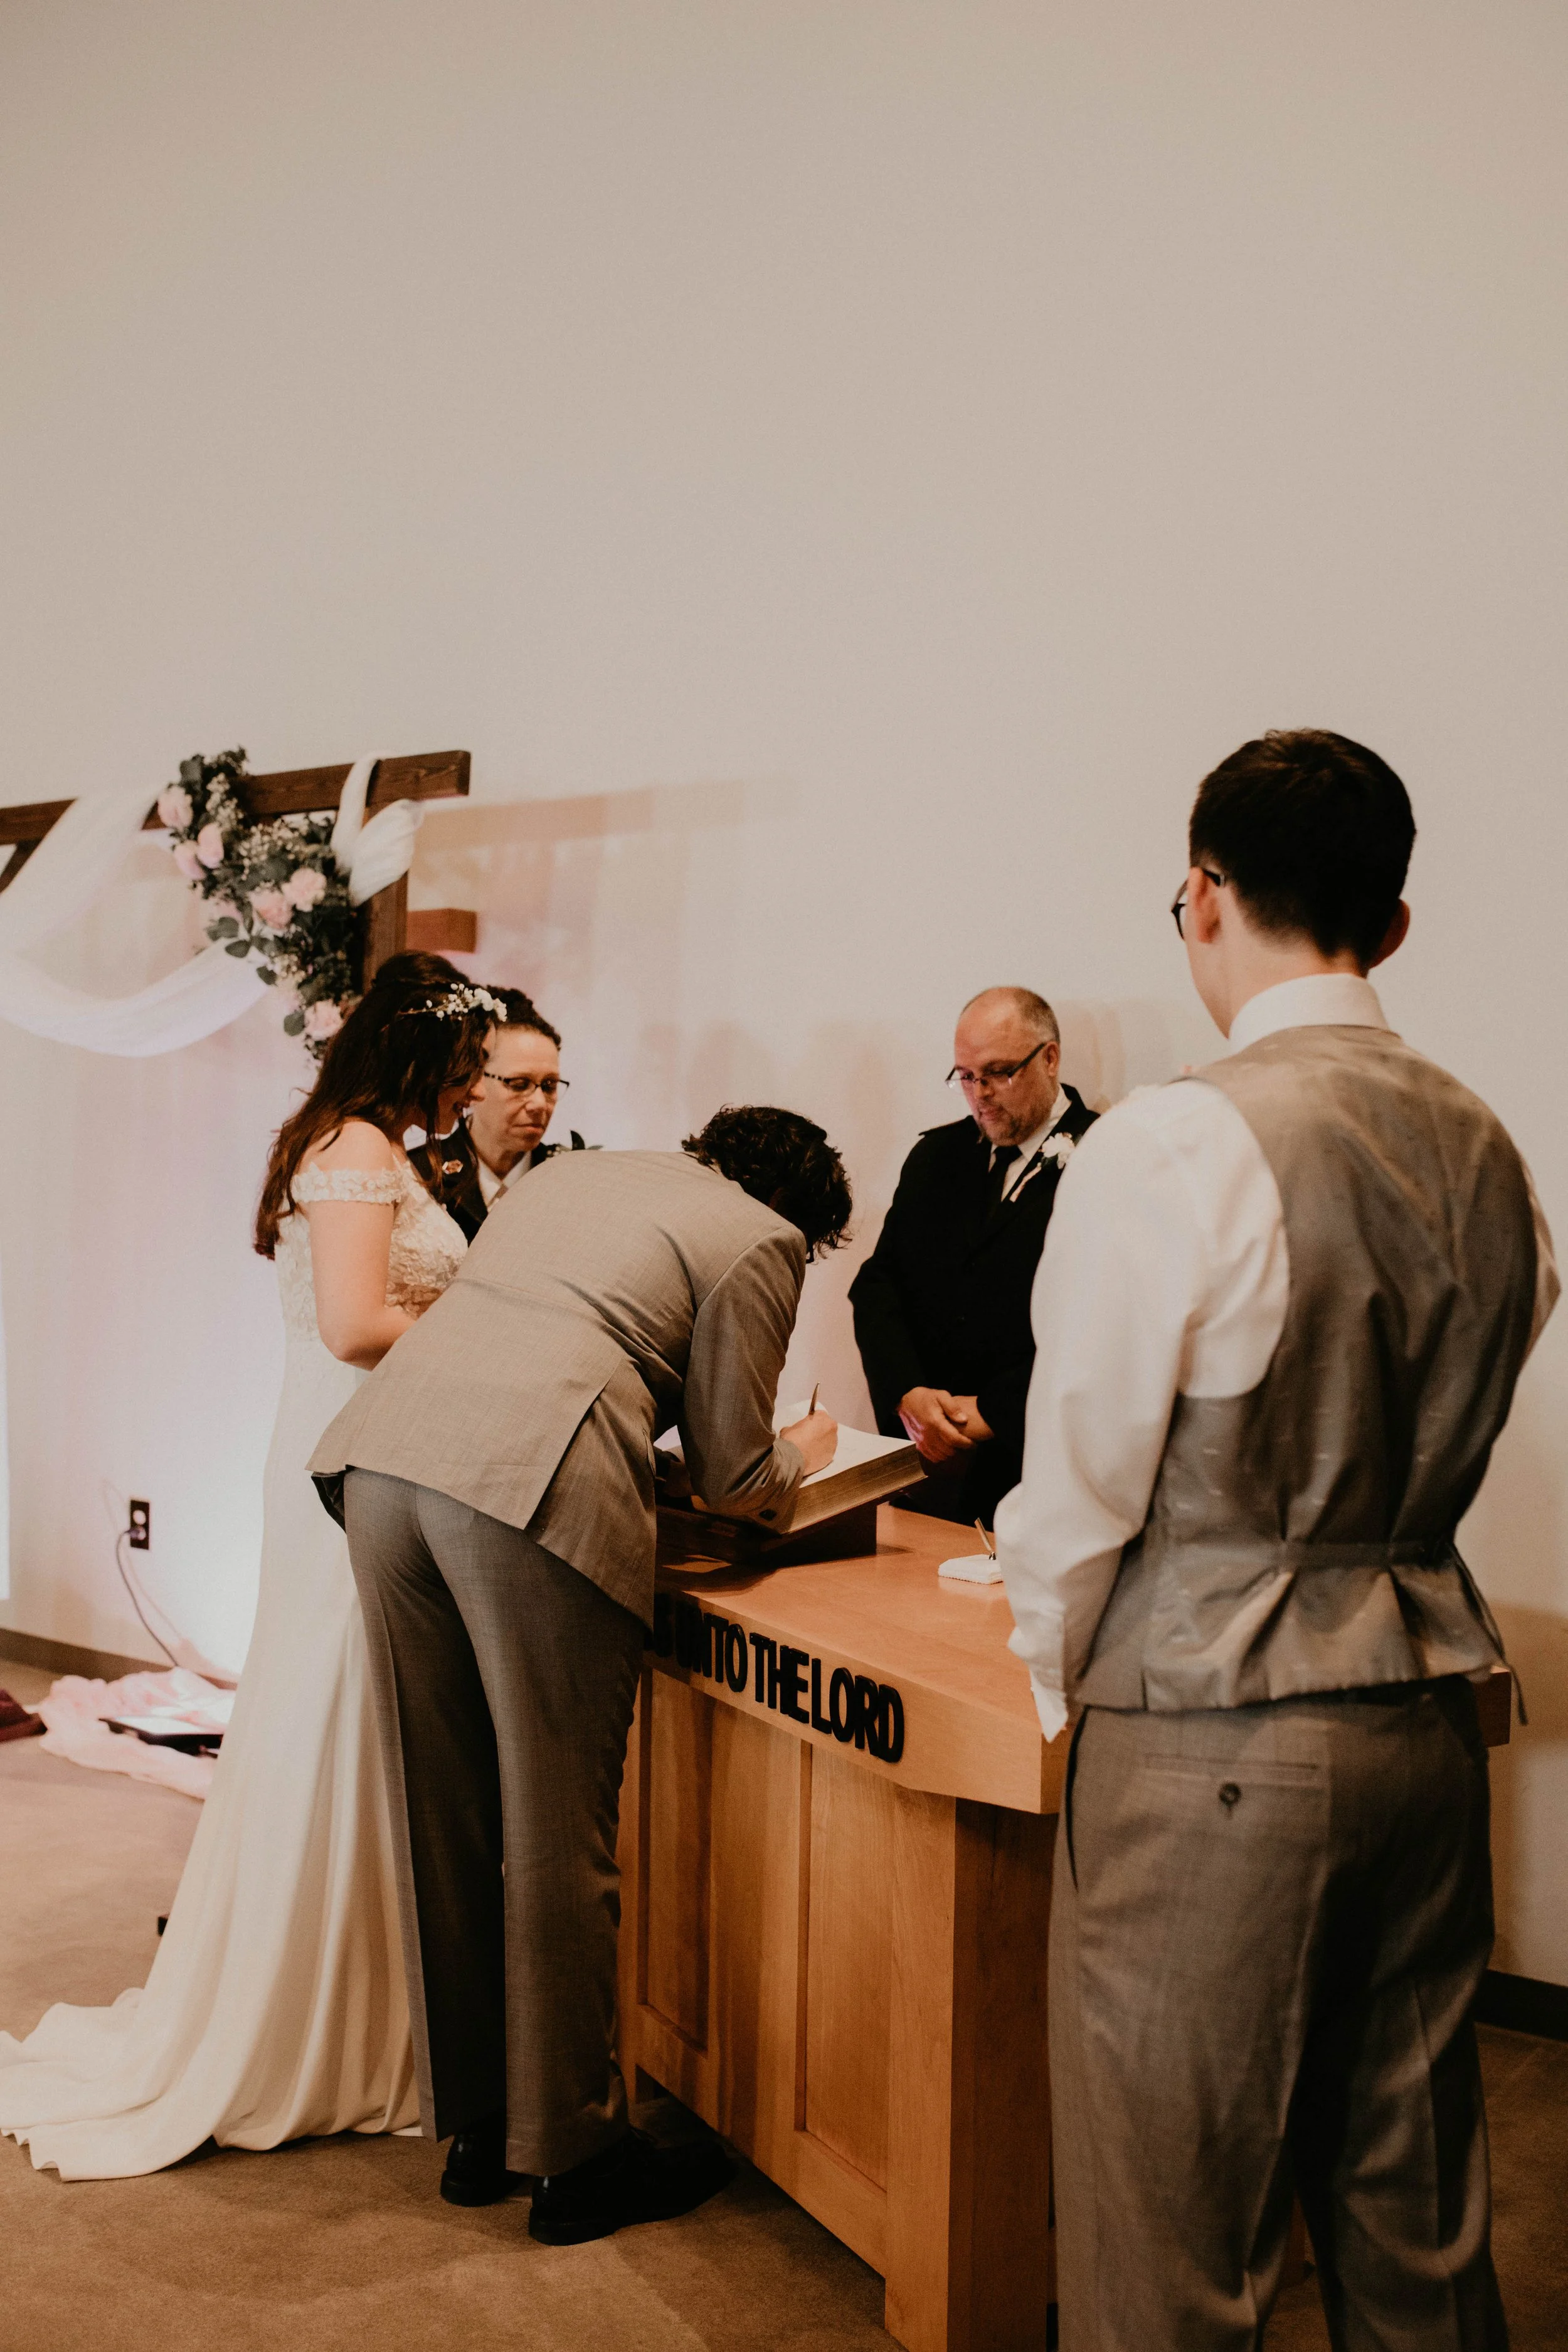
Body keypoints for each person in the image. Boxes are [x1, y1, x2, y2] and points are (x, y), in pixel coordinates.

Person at [997, 731, 1558, 2351]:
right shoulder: (1487, 1150)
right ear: (1388, 927)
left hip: (1209, 1727)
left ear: (1201, 896)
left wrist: (1057, 1685)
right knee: (1415, 2198)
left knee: (1170, 2226)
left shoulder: (1170, 1140)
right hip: (1427, 1713)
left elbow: (1079, 1484)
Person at [308, 1106, 852, 2240]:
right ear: (804, 1213)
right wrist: (805, 1454)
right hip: (526, 1493)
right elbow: (734, 1464)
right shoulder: (762, 1237)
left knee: (444, 1812)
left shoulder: (570, 1179)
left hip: (384, 1465)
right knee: (560, 1836)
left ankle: (475, 2133)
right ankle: (574, 2154)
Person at [0, 953, 495, 2178]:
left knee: (354, 1713)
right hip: (346, 1461)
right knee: (332, 1706)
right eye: (469, 1066)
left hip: (359, 1454)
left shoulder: (361, 1143)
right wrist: (495, 1321)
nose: (477, 1088)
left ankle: (366, 2000)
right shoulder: (359, 1152)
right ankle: (305, 2014)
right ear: (421, 1056)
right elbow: (353, 1324)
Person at [850, 987, 1096, 1526]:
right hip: (928, 1465)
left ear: (1049, 1058)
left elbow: (1106, 1324)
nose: (980, 1093)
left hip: (1039, 1468)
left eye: (998, 1072)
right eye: (965, 1076)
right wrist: (907, 1393)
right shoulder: (935, 1156)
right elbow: (878, 1285)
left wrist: (994, 1411)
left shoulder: (1107, 1156)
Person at [411, 986, 588, 1243]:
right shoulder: (424, 1172)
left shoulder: (569, 1179)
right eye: (519, 1084)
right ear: (476, 1078)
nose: (539, 1104)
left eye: (549, 1086)